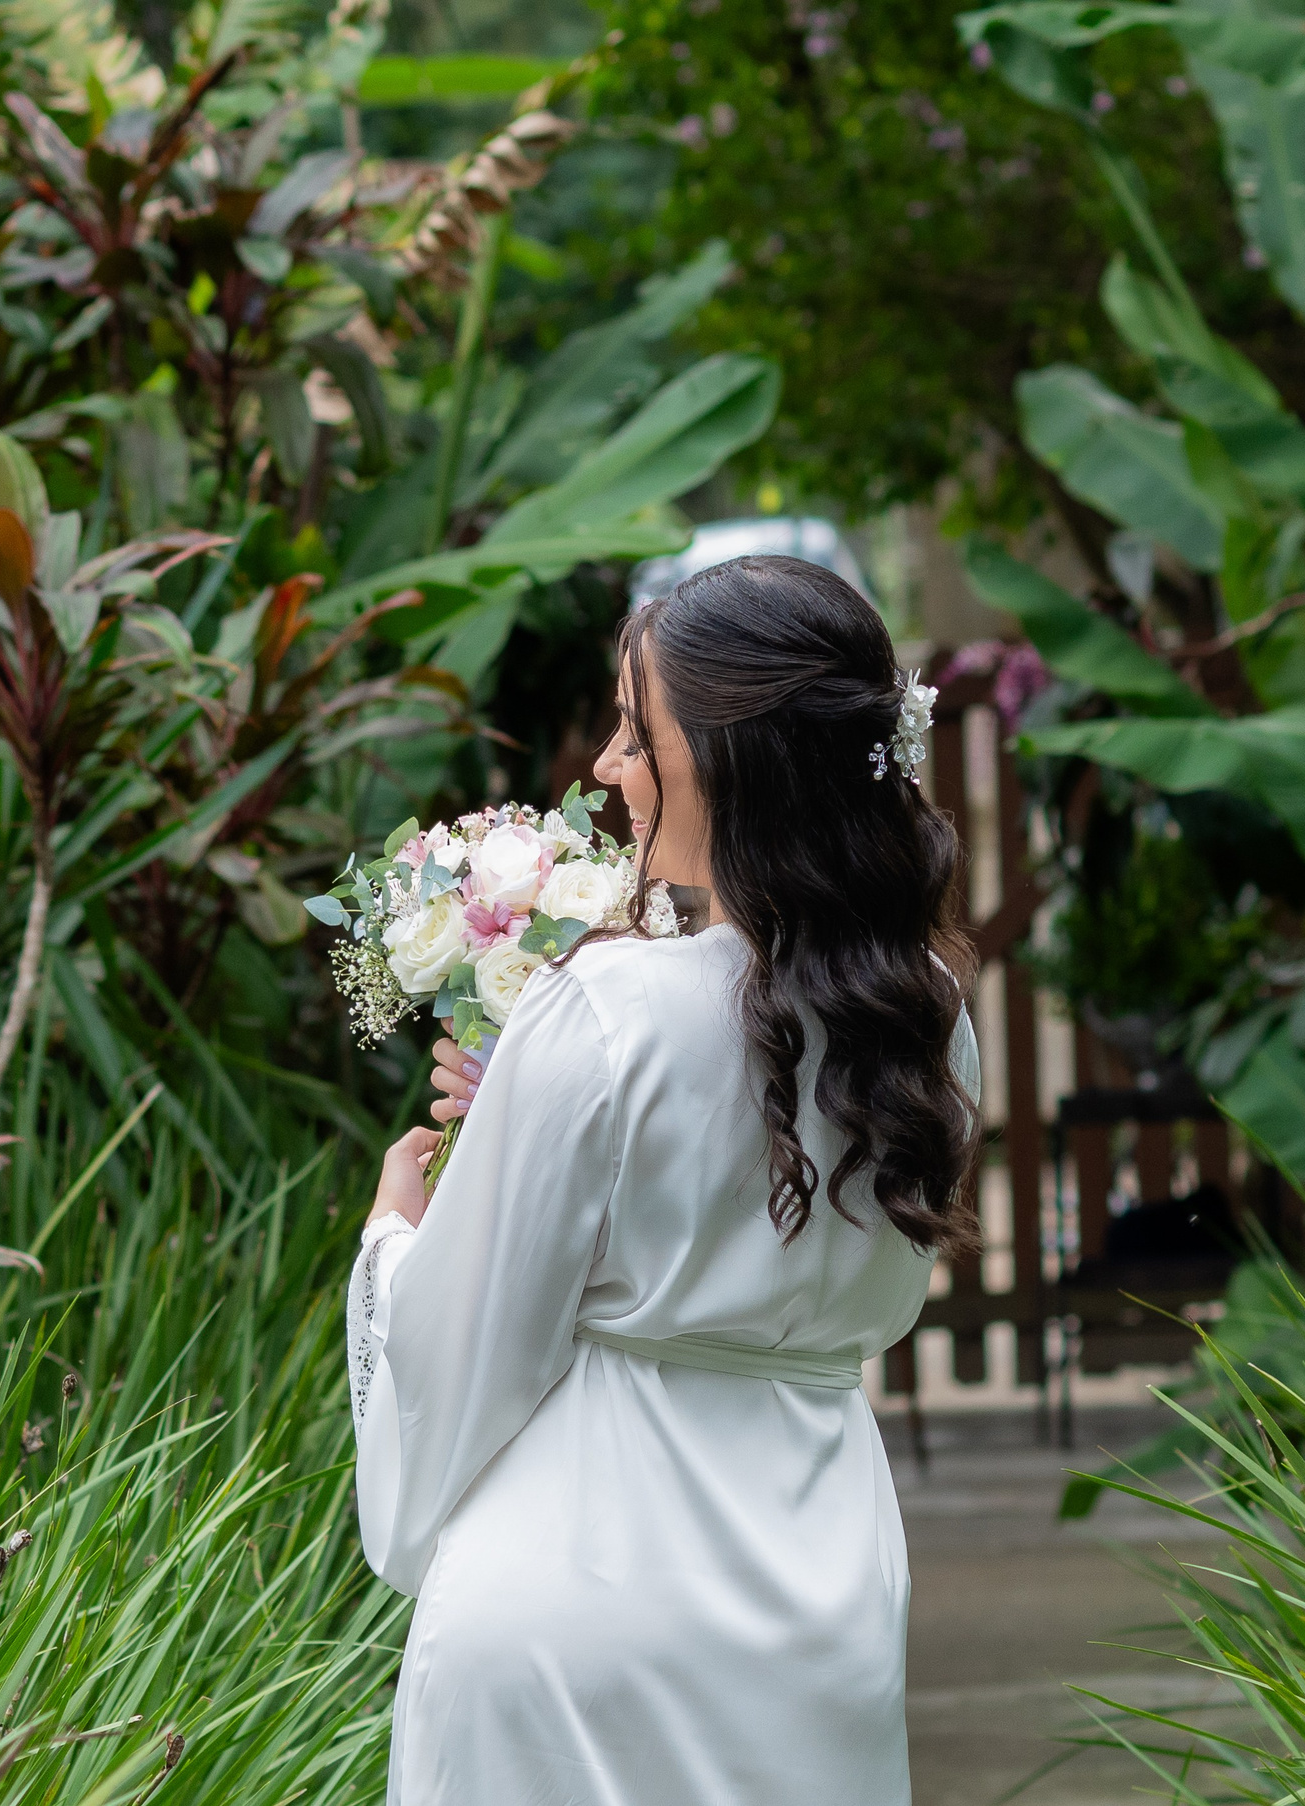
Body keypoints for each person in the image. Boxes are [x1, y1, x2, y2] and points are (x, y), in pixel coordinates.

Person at [346, 554, 981, 1804]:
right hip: (822, 1594)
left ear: (736, 764)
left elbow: (462, 1347)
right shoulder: (929, 1018)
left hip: (576, 1594)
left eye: (637, 737)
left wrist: (393, 1237)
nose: (604, 769)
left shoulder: (602, 1010)